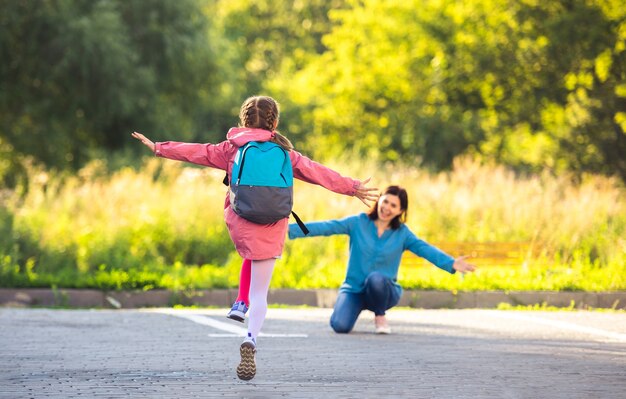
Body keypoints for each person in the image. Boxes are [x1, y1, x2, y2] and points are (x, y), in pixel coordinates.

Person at [131, 95, 378, 380]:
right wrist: (353, 187)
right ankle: (251, 337)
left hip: (241, 218)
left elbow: (197, 151)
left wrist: (159, 148)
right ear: (274, 122)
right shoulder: (286, 153)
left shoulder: (232, 149)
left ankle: (239, 302)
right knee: (261, 290)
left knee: (249, 253)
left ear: (243, 120)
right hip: (273, 221)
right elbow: (318, 172)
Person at [288, 185, 476, 335]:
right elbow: (326, 227)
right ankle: (357, 307)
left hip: (384, 291)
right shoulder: (358, 222)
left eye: (393, 206)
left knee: (376, 278)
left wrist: (450, 263)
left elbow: (424, 249)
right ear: (379, 201)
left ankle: (380, 315)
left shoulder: (402, 233)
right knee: (340, 326)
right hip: (354, 290)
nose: (387, 208)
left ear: (400, 210)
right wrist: (288, 230)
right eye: (385, 202)